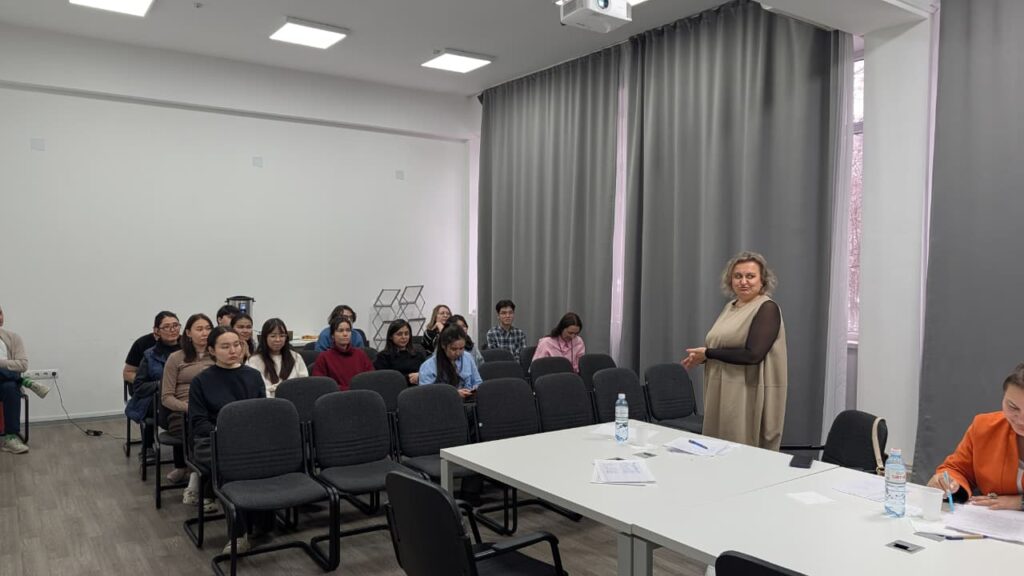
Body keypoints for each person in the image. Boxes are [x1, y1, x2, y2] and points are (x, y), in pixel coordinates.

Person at [681, 251, 788, 451]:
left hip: (747, 392)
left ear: (762, 281)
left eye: (750, 276)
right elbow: (724, 346)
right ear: (730, 280)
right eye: (738, 276)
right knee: (717, 449)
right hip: (721, 389)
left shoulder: (767, 308)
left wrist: (709, 354)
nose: (743, 281)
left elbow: (753, 355)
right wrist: (703, 357)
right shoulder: (731, 306)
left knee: (739, 450)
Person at [187, 326, 266, 552]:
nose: (233, 350)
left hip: (249, 439)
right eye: (225, 346)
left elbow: (262, 413)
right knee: (232, 467)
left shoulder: (253, 376)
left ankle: (261, 518)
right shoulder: (201, 381)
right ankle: (238, 534)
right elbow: (199, 422)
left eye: (237, 345)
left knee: (271, 458)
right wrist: (227, 433)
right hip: (214, 440)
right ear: (212, 350)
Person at [928, 363, 1024, 510]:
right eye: (1013, 407)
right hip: (992, 518)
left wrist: (1019, 502)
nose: (1021, 419)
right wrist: (949, 484)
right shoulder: (985, 427)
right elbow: (958, 469)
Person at [162, 313, 215, 489]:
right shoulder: (176, 357)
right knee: (199, 428)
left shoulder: (217, 356)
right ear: (188, 333)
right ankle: (197, 475)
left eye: (208, 328)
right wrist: (190, 408)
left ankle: (206, 478)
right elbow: (166, 397)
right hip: (183, 411)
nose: (205, 333)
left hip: (212, 408)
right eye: (199, 329)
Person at [129, 311, 182, 467]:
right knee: (176, 411)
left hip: (183, 396)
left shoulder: (189, 351)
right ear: (157, 331)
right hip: (159, 399)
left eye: (176, 325)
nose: (172, 329)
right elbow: (139, 386)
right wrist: (162, 384)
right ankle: (151, 448)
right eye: (167, 327)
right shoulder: (150, 355)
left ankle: (187, 458)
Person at [0, 305, 48, 455]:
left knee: (10, 387)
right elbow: (16, 366)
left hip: (4, 385)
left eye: (0, 313)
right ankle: (25, 381)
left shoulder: (13, 338)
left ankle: (10, 438)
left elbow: (22, 365)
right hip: (10, 378)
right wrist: (8, 365)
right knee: (12, 382)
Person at [247, 318, 308, 397]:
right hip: (268, 401)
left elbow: (303, 383)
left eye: (282, 336)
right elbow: (257, 389)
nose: (278, 340)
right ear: (265, 338)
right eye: (273, 336)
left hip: (293, 398)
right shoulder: (254, 360)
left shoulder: (296, 357)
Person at [419, 324, 482, 398]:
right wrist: (453, 394)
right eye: (453, 349)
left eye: (461, 348)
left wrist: (475, 389)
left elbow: (478, 382)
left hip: (467, 402)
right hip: (443, 403)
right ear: (443, 345)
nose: (458, 353)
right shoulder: (428, 367)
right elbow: (426, 395)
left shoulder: (467, 357)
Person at [311, 316, 373, 391]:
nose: (345, 334)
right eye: (340, 331)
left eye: (348, 330)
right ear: (332, 335)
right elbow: (320, 384)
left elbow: (371, 379)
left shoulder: (360, 354)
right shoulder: (324, 357)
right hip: (336, 395)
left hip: (361, 394)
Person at [373, 319, 427, 386]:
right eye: (399, 334)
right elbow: (384, 381)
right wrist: (409, 378)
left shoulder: (418, 355)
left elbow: (427, 374)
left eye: (406, 334)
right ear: (391, 336)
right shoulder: (383, 357)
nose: (404, 337)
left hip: (418, 388)